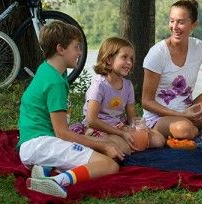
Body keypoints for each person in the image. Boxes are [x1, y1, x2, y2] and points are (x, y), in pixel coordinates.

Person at [18, 21, 124, 198]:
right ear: (60, 49)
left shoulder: (48, 69)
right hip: (41, 144)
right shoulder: (55, 82)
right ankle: (56, 181)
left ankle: (43, 169)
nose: (80, 52)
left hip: (32, 144)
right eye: (76, 47)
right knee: (109, 165)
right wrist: (103, 145)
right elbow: (62, 134)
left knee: (92, 149)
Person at [141, 0, 202, 140]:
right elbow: (146, 101)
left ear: (193, 25)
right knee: (186, 130)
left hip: (189, 114)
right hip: (159, 119)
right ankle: (189, 133)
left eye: (181, 22)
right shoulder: (157, 54)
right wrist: (181, 115)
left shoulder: (199, 47)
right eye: (171, 21)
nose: (174, 27)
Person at [80, 37, 166, 154]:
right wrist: (121, 134)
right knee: (125, 149)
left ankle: (120, 141)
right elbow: (91, 120)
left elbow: (131, 118)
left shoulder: (128, 85)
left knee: (159, 140)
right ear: (109, 59)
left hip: (118, 126)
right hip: (98, 128)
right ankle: (89, 141)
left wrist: (139, 127)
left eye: (131, 58)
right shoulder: (99, 86)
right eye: (124, 57)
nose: (129, 62)